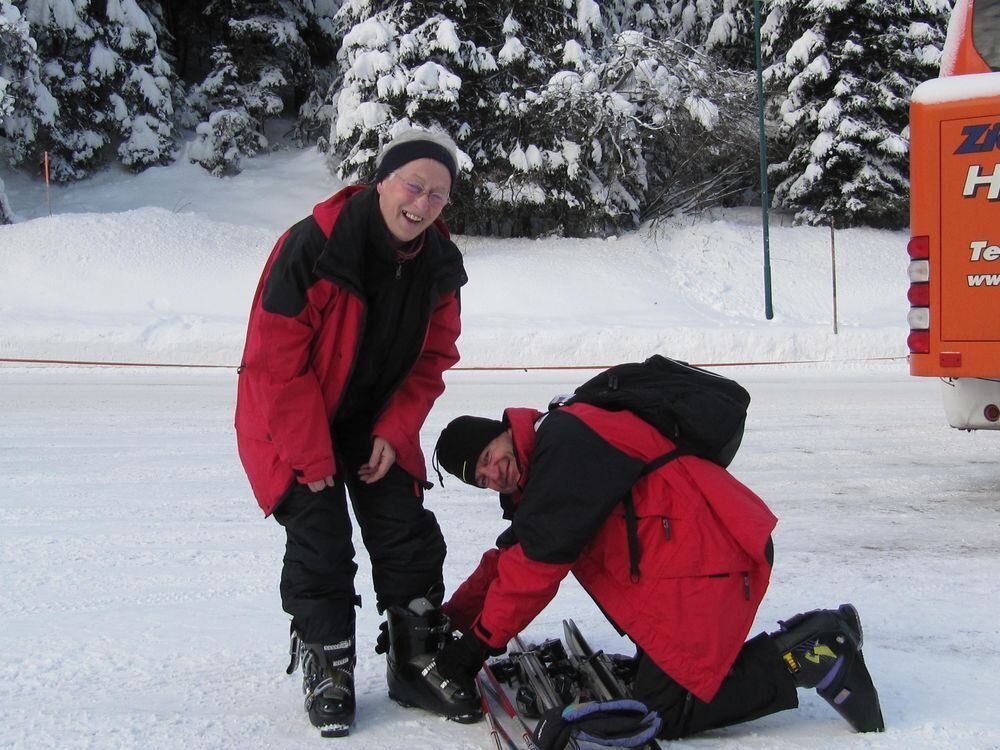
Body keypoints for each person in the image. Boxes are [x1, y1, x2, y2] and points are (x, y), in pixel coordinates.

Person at [427, 402, 885, 742]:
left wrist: (476, 646)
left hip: (707, 559)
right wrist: (450, 618)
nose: (494, 475)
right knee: (660, 678)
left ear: (503, 431)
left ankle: (813, 650)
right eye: (481, 479)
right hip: (685, 562)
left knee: (665, 711)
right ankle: (826, 630)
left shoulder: (565, 446)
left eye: (487, 458)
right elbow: (512, 557)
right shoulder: (551, 453)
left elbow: (535, 570)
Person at [234, 127, 481, 737]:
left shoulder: (439, 265)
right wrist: (310, 454)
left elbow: (433, 359)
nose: (422, 205)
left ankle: (414, 660)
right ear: (383, 180)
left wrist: (395, 431)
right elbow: (274, 361)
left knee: (406, 528)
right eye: (413, 186)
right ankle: (330, 666)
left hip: (373, 421)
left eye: (438, 196)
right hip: (290, 420)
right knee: (320, 535)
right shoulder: (314, 246)